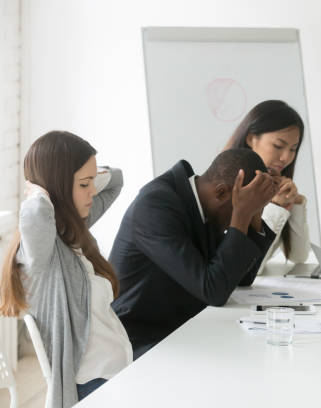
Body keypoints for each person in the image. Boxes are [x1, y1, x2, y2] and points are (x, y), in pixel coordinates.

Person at [0, 131, 131, 406]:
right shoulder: (41, 251)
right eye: (84, 184)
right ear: (56, 189)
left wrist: (86, 178)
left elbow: (116, 180)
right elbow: (35, 214)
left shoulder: (70, 228)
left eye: (91, 182)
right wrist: (39, 190)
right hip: (93, 387)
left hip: (117, 374)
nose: (93, 192)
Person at [110, 149, 278, 359]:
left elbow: (242, 278)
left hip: (184, 328)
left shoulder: (203, 204)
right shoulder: (155, 206)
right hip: (140, 339)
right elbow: (213, 291)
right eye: (238, 209)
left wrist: (253, 215)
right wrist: (241, 214)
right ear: (221, 192)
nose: (235, 219)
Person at [225, 100, 310, 273]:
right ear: (251, 139)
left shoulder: (274, 183)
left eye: (293, 149)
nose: (286, 157)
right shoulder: (229, 187)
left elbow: (298, 256)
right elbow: (247, 269)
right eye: (278, 146)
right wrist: (276, 207)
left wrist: (296, 204)